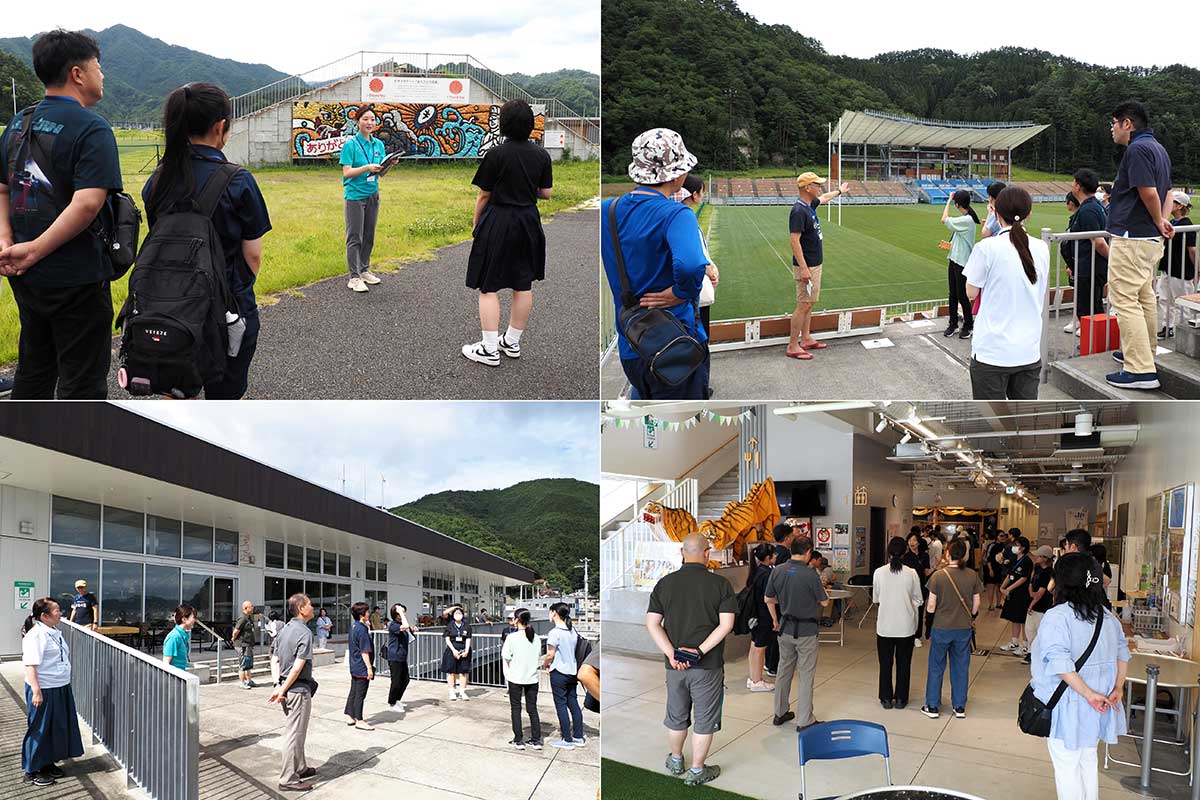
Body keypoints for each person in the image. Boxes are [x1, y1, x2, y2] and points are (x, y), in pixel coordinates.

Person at [0, 30, 122, 399]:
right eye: (98, 66)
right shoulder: (92, 127)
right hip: (77, 276)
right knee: (81, 381)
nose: (102, 75)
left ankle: (20, 446)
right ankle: (76, 451)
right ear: (77, 73)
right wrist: (35, 249)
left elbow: (3, 188)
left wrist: (6, 241)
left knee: (35, 369)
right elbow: (87, 203)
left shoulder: (19, 122)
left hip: (24, 274)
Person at [140, 82, 271, 399]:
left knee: (175, 389)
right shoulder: (239, 180)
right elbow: (252, 256)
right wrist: (235, 291)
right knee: (223, 397)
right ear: (220, 126)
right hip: (228, 310)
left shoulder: (157, 180)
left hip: (169, 308)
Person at [601, 128, 709, 399]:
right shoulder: (677, 214)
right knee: (680, 419)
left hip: (632, 343)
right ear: (677, 172)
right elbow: (692, 265)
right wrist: (680, 293)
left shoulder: (608, 210)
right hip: (677, 344)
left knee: (645, 411)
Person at [1030, 553, 1129, 800]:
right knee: (1087, 760)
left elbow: (1060, 662)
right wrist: (1118, 687)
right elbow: (1122, 653)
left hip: (1070, 706)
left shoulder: (1058, 616)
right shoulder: (1107, 617)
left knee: (1067, 767)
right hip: (1099, 707)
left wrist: (1088, 694)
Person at [462, 99, 552, 366]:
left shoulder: (496, 154)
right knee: (522, 284)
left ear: (504, 123)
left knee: (488, 286)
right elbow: (546, 194)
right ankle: (511, 342)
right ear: (530, 124)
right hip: (528, 220)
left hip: (499, 219)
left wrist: (476, 224)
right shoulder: (541, 155)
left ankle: (489, 350)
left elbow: (484, 194)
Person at [646, 533, 736, 787]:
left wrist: (672, 653)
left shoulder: (665, 583)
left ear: (682, 553)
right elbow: (726, 625)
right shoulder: (721, 584)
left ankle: (676, 760)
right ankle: (697, 770)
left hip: (674, 666)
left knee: (676, 715)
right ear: (707, 554)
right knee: (705, 718)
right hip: (707, 666)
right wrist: (698, 652)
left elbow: (652, 624)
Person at [1104, 101, 1174, 390]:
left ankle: (1140, 370)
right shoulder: (1158, 148)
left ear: (1127, 124)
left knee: (1124, 301)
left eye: (1114, 123)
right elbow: (1168, 191)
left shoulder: (1137, 149)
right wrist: (1162, 222)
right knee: (1145, 297)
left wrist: (1159, 220)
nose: (1112, 129)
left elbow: (1147, 192)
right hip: (1148, 240)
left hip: (1133, 238)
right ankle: (1145, 353)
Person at [964, 186, 1050, 399]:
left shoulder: (986, 247)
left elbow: (970, 292)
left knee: (990, 424)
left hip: (992, 353)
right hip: (1027, 351)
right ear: (1028, 214)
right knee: (1023, 423)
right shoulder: (1041, 248)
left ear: (995, 212)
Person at [764, 536, 829, 732]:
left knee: (784, 671)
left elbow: (768, 598)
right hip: (807, 631)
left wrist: (776, 619)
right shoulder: (810, 575)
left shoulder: (779, 570)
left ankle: (780, 712)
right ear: (808, 552)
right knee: (806, 674)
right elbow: (825, 602)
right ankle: (804, 719)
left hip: (785, 629)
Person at [786, 173, 851, 361]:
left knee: (809, 304)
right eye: (817, 184)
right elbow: (794, 241)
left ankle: (805, 339)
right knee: (803, 304)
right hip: (807, 267)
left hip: (814, 264)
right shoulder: (798, 211)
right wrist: (804, 268)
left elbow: (823, 198)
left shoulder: (808, 205)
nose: (819, 187)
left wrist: (839, 191)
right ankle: (793, 345)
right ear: (807, 187)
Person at [21, 597, 83, 787]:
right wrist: (36, 691)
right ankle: (31, 770)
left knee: (56, 727)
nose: (60, 613)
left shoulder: (54, 631)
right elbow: (30, 665)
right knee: (39, 728)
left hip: (60, 686)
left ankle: (47, 763)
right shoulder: (36, 635)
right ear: (44, 615)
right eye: (56, 610)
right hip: (44, 688)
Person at [923, 539, 982, 719]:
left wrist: (928, 625)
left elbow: (931, 606)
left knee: (936, 666)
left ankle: (932, 706)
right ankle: (959, 706)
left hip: (941, 627)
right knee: (961, 667)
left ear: (947, 553)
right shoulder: (972, 575)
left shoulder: (938, 576)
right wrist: (970, 616)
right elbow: (976, 603)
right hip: (963, 628)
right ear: (964, 555)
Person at [268, 593, 318, 792]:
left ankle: (300, 767)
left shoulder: (284, 630)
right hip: (296, 690)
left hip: (286, 689)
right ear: (301, 609)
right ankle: (288, 778)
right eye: (310, 605)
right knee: (294, 733)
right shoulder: (304, 633)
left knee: (298, 731)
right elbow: (297, 668)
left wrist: (277, 685)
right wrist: (283, 688)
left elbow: (274, 659)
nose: (313, 607)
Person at [874, 537, 924, 710]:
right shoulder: (911, 573)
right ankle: (901, 698)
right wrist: (909, 605)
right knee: (904, 664)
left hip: (885, 626)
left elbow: (876, 598)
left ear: (888, 552)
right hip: (906, 627)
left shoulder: (879, 572)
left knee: (885, 664)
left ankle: (886, 698)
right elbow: (919, 598)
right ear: (904, 553)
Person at [339, 107, 384, 293]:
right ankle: (354, 277)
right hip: (355, 196)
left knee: (369, 235)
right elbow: (347, 172)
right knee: (355, 237)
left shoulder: (378, 144)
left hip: (373, 194)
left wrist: (389, 165)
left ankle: (364, 270)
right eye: (365, 119)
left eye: (372, 119)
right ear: (358, 122)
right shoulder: (350, 144)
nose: (370, 123)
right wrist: (366, 167)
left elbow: (381, 172)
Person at [1066, 168, 1110, 331]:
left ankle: (1093, 343)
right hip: (1088, 267)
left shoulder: (1089, 209)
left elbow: (1098, 242)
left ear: (1078, 186)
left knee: (1089, 309)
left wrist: (1112, 258)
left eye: (1073, 182)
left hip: (1090, 268)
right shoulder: (1093, 206)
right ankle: (1094, 341)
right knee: (1091, 306)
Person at [679, 174, 718, 341]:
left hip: (695, 281)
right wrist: (710, 270)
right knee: (698, 336)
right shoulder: (683, 217)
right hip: (694, 286)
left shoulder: (683, 215)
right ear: (694, 195)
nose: (703, 196)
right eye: (702, 192)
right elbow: (693, 253)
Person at [543, 601, 584, 749]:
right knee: (573, 703)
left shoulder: (555, 632)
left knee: (561, 705)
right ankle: (578, 736)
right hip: (572, 672)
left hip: (559, 672)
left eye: (550, 611)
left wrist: (545, 663)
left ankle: (567, 739)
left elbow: (550, 654)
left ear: (554, 612)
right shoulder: (572, 630)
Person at [1157, 191, 1197, 338]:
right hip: (1168, 267)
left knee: (1183, 301)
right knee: (1165, 299)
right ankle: (1168, 326)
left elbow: (1192, 250)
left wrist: (1197, 269)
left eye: (1172, 202)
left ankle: (1186, 330)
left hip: (1181, 269)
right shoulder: (1171, 223)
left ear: (1180, 206)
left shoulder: (1187, 225)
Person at [503, 608, 543, 750]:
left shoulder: (511, 637)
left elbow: (506, 657)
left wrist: (508, 674)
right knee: (532, 709)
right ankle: (536, 740)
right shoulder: (536, 637)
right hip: (532, 679)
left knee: (516, 708)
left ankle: (518, 739)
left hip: (515, 678)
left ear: (516, 620)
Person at [942, 189, 980, 339]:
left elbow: (944, 219)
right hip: (954, 259)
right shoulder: (966, 218)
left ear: (957, 204)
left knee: (962, 295)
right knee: (953, 294)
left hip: (962, 263)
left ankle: (968, 325)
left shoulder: (967, 220)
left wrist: (948, 201)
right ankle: (953, 324)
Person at [746, 542, 777, 692]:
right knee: (760, 649)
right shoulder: (767, 574)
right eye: (774, 554)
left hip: (755, 615)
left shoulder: (756, 571)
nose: (776, 556)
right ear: (768, 557)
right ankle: (757, 681)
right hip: (764, 616)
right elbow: (769, 599)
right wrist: (775, 619)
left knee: (754, 646)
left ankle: (753, 678)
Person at [999, 535, 1034, 656]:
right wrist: (1002, 587)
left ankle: (1025, 644)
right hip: (1012, 593)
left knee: (1022, 619)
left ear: (1023, 548)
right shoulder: (1014, 559)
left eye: (1017, 545)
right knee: (1014, 618)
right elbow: (1010, 576)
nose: (1014, 547)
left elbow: (1024, 578)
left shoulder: (1027, 561)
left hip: (1022, 593)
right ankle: (1014, 642)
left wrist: (1009, 588)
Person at [1022, 546, 1056, 665]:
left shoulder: (1048, 572)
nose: (1036, 557)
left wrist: (1031, 604)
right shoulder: (1037, 568)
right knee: (1029, 630)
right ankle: (1031, 651)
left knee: (1039, 630)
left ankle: (1038, 653)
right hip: (1033, 602)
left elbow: (1041, 592)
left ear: (1044, 558)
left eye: (1038, 556)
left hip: (1041, 606)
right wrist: (1031, 591)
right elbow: (1032, 583)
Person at [344, 601, 374, 730]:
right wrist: (369, 668)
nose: (369, 614)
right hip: (362, 666)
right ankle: (359, 719)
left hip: (354, 664)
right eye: (367, 612)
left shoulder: (354, 626)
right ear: (362, 615)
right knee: (360, 694)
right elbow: (364, 651)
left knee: (354, 691)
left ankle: (350, 715)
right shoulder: (362, 630)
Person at [902, 532, 931, 647]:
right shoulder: (905, 557)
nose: (911, 543)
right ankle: (907, 634)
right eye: (909, 540)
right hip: (908, 588)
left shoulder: (924, 556)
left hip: (921, 588)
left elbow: (927, 572)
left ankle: (917, 636)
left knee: (919, 612)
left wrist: (936, 567)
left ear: (918, 542)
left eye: (914, 540)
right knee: (908, 611)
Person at [385, 603, 414, 712]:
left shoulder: (400, 624)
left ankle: (397, 699)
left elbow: (407, 630)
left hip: (402, 656)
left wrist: (413, 630)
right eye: (402, 612)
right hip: (394, 656)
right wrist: (401, 612)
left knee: (405, 680)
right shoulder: (393, 625)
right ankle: (392, 703)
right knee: (396, 681)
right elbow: (405, 626)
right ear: (395, 614)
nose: (404, 614)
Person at [443, 606, 472, 701]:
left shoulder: (467, 626)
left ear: (463, 615)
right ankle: (452, 692)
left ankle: (462, 692)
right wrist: (453, 650)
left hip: (463, 650)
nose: (458, 615)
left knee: (463, 672)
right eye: (456, 613)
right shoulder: (450, 625)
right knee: (451, 672)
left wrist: (466, 650)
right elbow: (447, 639)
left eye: (460, 613)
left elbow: (468, 639)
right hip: (452, 650)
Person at [231, 600, 258, 689]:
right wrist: (233, 639)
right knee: (243, 664)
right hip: (243, 644)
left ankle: (249, 680)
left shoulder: (249, 617)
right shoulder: (243, 618)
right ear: (246, 608)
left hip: (248, 644)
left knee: (248, 664)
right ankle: (242, 682)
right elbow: (236, 631)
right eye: (251, 606)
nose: (253, 608)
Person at [162, 604, 195, 671]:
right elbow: (166, 663)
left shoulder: (182, 635)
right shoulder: (174, 637)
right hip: (174, 678)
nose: (195, 620)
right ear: (184, 619)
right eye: (193, 617)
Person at [983, 530, 1010, 611]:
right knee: (991, 587)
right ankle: (991, 605)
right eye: (1001, 536)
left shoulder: (1005, 546)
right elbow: (988, 559)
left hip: (1001, 569)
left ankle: (998, 603)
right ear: (996, 537)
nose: (1003, 537)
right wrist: (990, 569)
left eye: (1004, 536)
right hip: (992, 568)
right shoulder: (992, 545)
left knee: (999, 587)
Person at [265, 610, 284, 683]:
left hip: (276, 641)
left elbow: (274, 634)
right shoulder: (282, 623)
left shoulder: (273, 623)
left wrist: (268, 631)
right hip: (283, 640)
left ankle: (276, 679)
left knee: (272, 655)